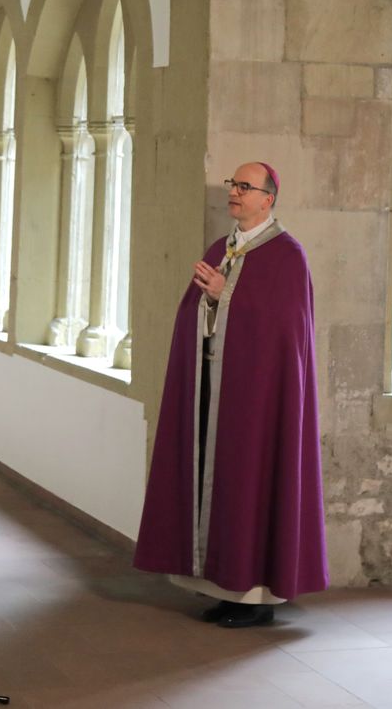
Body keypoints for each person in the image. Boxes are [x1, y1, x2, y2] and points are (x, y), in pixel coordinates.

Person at [133, 162, 327, 628]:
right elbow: (196, 313)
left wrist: (227, 294)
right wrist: (210, 302)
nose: (235, 192)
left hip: (258, 404)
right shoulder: (223, 247)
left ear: (268, 198)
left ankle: (256, 598)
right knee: (218, 487)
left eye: (245, 186)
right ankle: (223, 588)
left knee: (252, 486)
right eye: (233, 184)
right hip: (214, 390)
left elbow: (287, 331)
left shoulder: (287, 255)